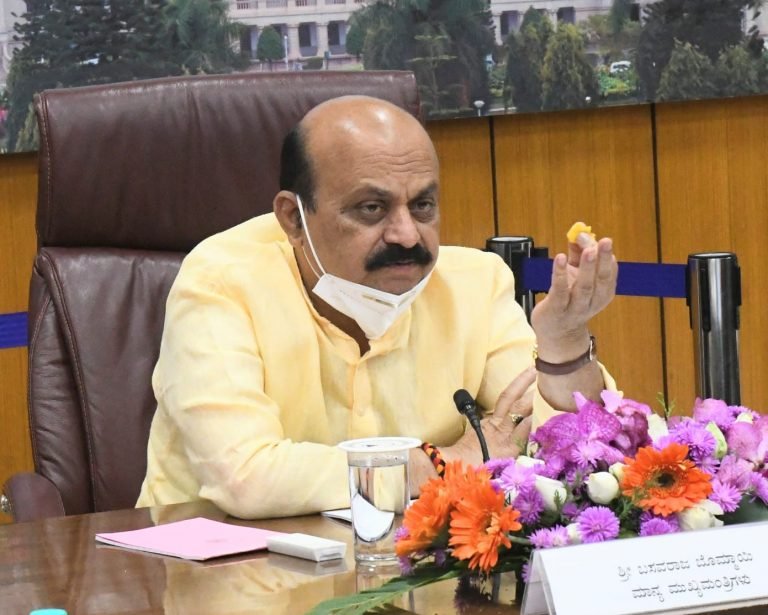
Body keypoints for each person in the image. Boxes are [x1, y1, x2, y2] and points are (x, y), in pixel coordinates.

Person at [136, 95, 618, 519]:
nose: (406, 235)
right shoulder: (221, 283)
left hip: (416, 569)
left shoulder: (475, 282)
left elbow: (573, 449)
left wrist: (564, 346)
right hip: (215, 573)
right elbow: (247, 477)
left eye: (422, 206)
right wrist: (448, 462)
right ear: (293, 218)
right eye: (371, 208)